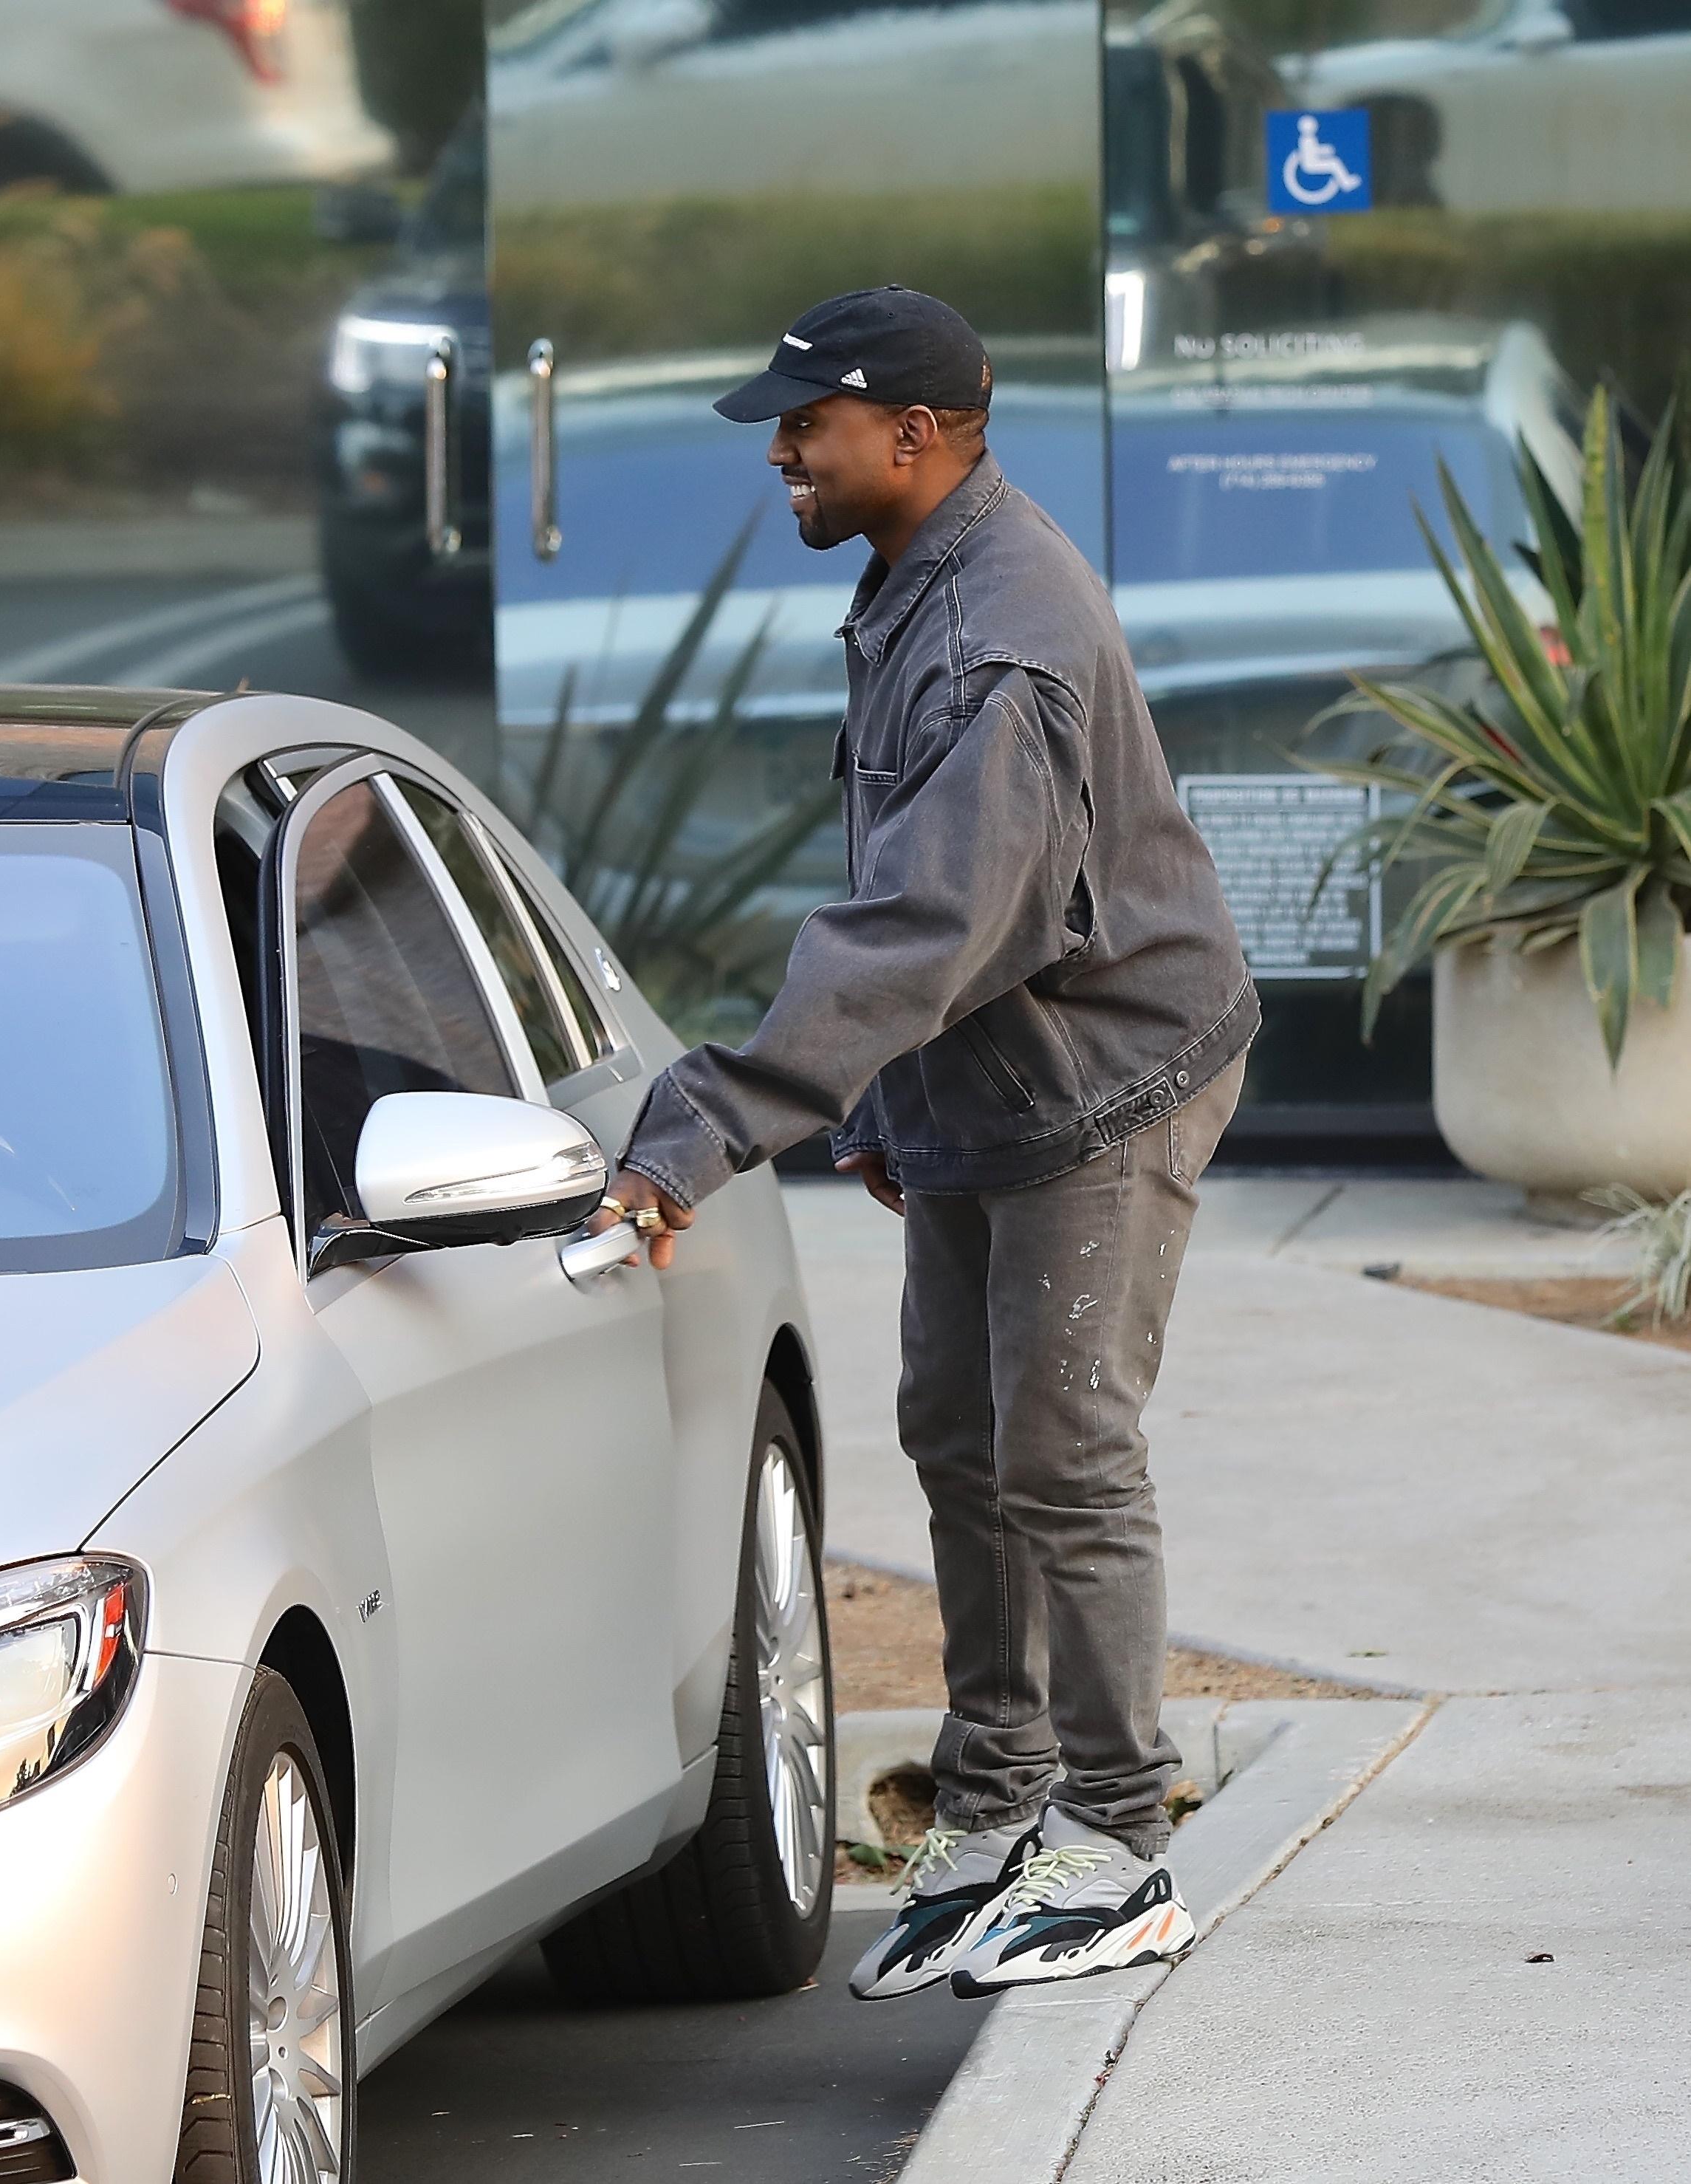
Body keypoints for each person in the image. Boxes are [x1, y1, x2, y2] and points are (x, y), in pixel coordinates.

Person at [596, 287, 1258, 1998]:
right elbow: (925, 897)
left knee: (1064, 1454)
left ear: (917, 434)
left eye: (801, 429)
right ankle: (996, 1816)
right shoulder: (916, 577)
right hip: (989, 1083)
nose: (781, 459)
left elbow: (924, 922)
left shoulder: (1000, 638)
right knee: (957, 1440)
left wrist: (705, 1128)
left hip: (1102, 1082)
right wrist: (890, 1100)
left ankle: (1119, 1845)